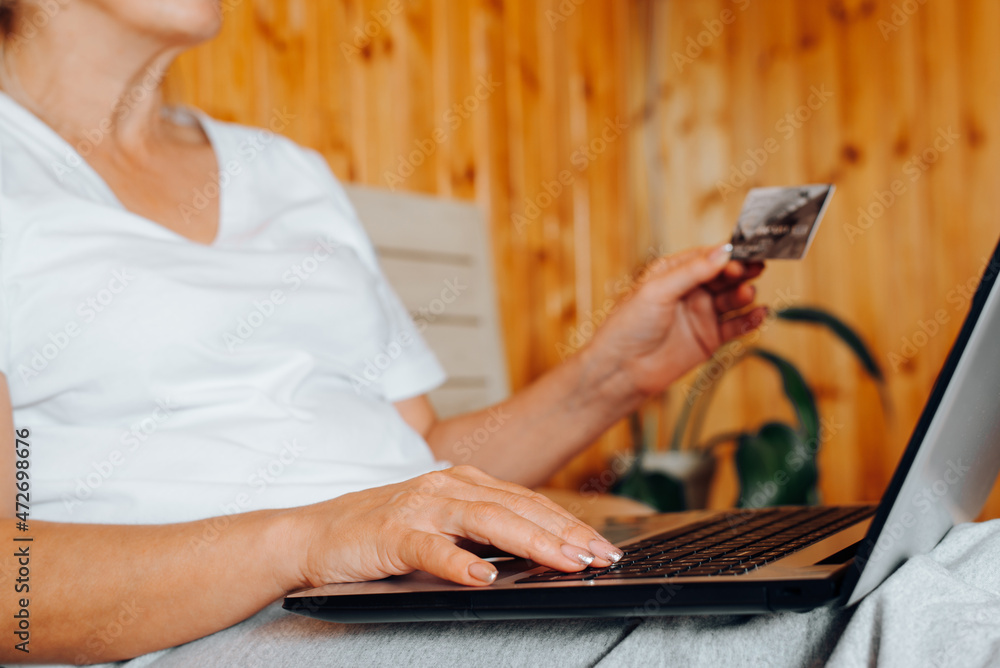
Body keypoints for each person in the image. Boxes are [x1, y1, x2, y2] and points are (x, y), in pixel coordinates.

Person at [0, 0, 766, 663]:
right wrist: (309, 543)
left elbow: (417, 462)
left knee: (850, 590)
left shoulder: (286, 173)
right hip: (197, 635)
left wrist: (611, 380)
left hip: (406, 598)